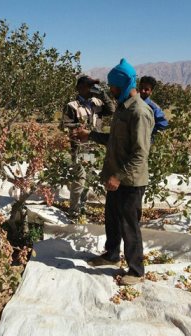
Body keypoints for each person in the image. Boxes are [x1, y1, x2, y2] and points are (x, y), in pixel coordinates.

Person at [73, 59, 155, 285]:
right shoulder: (123, 107)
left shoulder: (139, 112)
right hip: (115, 177)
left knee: (130, 225)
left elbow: (140, 153)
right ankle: (111, 255)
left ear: (125, 84)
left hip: (129, 180)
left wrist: (119, 176)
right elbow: (114, 140)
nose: (111, 90)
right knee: (112, 219)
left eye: (114, 86)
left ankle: (136, 270)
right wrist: (90, 135)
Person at [61, 75, 116, 218]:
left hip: (93, 146)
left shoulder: (97, 103)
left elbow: (112, 110)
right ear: (80, 88)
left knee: (88, 177)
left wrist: (103, 94)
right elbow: (64, 124)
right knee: (80, 177)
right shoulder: (72, 105)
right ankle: (73, 210)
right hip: (79, 146)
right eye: (89, 86)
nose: (92, 89)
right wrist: (80, 126)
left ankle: (82, 207)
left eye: (93, 86)